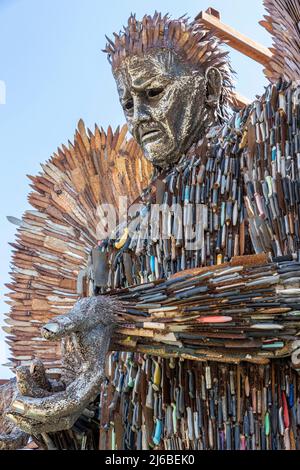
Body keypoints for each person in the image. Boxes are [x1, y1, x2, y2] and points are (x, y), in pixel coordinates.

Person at [2, 11, 300, 450]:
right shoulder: (113, 244)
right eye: (127, 103)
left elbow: (292, 296)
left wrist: (127, 317)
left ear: (210, 88)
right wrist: (58, 418)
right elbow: (112, 410)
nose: (139, 116)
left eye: (154, 92)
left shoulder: (262, 138)